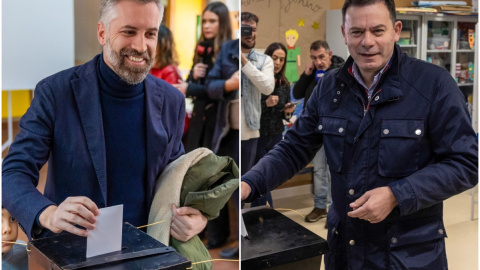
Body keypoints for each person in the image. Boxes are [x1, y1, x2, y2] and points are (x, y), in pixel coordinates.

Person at [241, 0, 478, 268]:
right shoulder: (328, 88)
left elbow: (466, 164)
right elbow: (294, 148)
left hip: (409, 254)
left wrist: (397, 194)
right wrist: (249, 184)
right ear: (343, 33)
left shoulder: (434, 84)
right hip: (345, 248)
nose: (367, 42)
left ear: (396, 30)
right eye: (356, 32)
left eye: (378, 31)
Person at [2, 0, 207, 243]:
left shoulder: (172, 100)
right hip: (72, 251)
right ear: (102, 33)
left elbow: (176, 177)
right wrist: (48, 214)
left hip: (147, 249)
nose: (141, 46)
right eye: (129, 32)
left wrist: (198, 217)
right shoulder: (55, 93)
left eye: (150, 34)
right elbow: (13, 172)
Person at [292, 40, 345, 223]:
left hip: (336, 130)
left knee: (334, 171)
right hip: (316, 130)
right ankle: (320, 206)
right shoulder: (312, 73)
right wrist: (307, 75)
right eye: (314, 58)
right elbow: (298, 94)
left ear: (329, 54)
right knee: (319, 170)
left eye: (321, 57)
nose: (318, 61)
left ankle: (334, 209)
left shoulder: (342, 71)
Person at [174, 2, 232, 152]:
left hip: (216, 121)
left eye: (212, 21)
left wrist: (190, 88)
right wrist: (193, 76)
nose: (206, 26)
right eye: (204, 21)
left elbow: (220, 90)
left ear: (223, 23)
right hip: (198, 118)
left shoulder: (228, 54)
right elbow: (189, 83)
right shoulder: (201, 47)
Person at [204, 38, 240, 256]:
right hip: (226, 132)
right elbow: (211, 85)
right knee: (219, 185)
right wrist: (229, 84)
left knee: (245, 191)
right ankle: (221, 237)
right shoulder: (228, 48)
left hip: (249, 135)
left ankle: (244, 244)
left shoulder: (262, 58)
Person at [251, 42, 295, 207]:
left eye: (282, 60)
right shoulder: (258, 80)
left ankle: (261, 212)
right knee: (262, 176)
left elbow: (286, 114)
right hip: (259, 134)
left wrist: (287, 111)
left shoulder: (284, 82)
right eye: (274, 58)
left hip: (276, 134)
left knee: (268, 176)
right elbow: (249, 110)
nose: (277, 63)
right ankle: (265, 211)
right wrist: (265, 104)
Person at [240, 12, 275, 177]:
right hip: (225, 130)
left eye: (253, 29)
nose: (250, 34)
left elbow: (268, 88)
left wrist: (243, 62)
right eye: (245, 29)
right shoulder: (226, 55)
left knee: (244, 181)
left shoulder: (265, 60)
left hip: (250, 129)